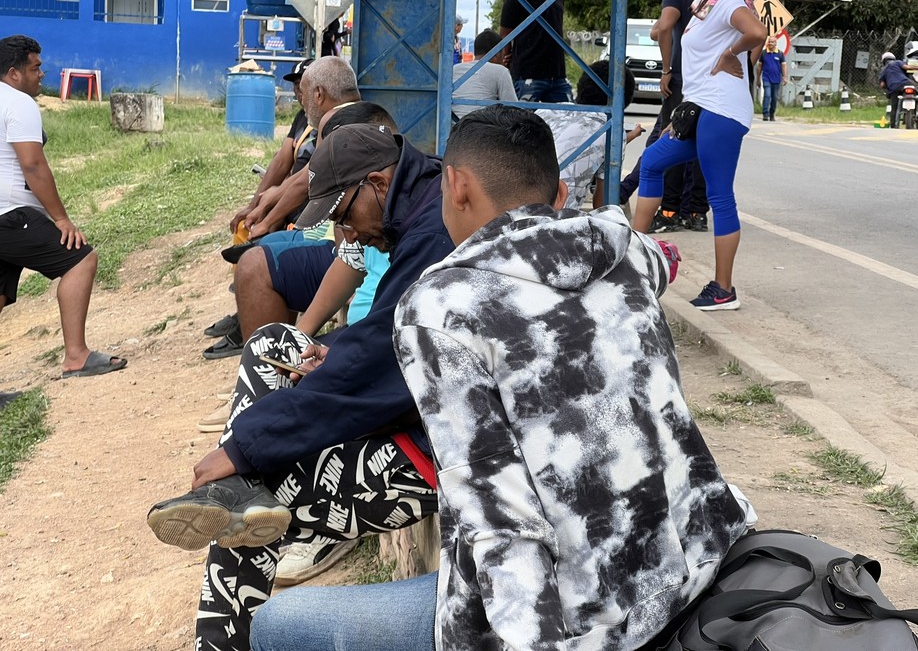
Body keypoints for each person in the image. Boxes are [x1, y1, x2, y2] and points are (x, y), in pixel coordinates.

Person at [249, 105, 749, 651]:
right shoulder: (630, 253)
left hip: (583, 621)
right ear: (560, 194)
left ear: (457, 186)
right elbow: (662, 257)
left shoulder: (440, 306)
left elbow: (497, 514)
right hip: (697, 567)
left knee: (276, 625)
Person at [146, 123, 454, 651]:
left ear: (378, 183)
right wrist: (337, 353)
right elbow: (389, 336)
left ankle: (221, 637)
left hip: (436, 452)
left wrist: (245, 448)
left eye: (343, 215)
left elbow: (382, 365)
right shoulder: (422, 209)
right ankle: (244, 480)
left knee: (253, 506)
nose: (347, 234)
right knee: (274, 343)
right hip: (417, 407)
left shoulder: (432, 232)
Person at [0, 35, 126, 413]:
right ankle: (76, 356)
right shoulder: (19, 103)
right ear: (14, 73)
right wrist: (61, 218)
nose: (41, 74)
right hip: (10, 213)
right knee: (81, 259)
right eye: (35, 67)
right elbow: (32, 165)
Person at [630, 0, 766, 311]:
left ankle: (723, 289)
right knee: (652, 161)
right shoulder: (707, 2)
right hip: (701, 110)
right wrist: (683, 115)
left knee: (720, 195)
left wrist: (731, 55)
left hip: (722, 113)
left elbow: (757, 33)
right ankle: (633, 260)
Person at [203, 57, 361, 359]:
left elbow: (306, 184)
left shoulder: (337, 124)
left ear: (319, 94)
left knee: (255, 262)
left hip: (342, 246)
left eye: (303, 91)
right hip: (338, 241)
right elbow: (298, 172)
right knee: (263, 249)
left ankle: (267, 361)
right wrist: (262, 202)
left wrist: (267, 218)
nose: (299, 97)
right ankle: (268, 339)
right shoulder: (359, 116)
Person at [534, 59, 644, 210]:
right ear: (623, 100)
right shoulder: (613, 132)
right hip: (558, 216)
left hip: (515, 208)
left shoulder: (547, 110)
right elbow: (601, 205)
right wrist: (624, 139)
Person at [647, 0, 709, 233]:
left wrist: (666, 69)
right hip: (712, 81)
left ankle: (669, 210)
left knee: (672, 139)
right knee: (704, 145)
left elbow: (661, 29)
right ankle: (697, 212)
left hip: (682, 79)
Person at [499, 0, 573, 103]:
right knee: (523, 118)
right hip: (528, 74)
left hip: (557, 75)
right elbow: (505, 34)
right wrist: (506, 58)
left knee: (567, 115)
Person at [451, 29, 518, 119]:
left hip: (453, 125)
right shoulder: (500, 71)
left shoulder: (454, 69)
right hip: (482, 125)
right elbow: (513, 110)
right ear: (497, 55)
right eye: (503, 54)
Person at [878, 50, 918, 130]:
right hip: (905, 83)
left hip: (894, 89)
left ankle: (893, 126)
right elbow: (907, 67)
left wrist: (888, 87)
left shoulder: (883, 70)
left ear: (884, 61)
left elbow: (882, 85)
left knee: (894, 108)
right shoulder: (897, 62)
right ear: (893, 58)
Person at [756, 34, 787, 121]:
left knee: (774, 97)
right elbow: (759, 67)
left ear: (775, 43)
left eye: (772, 42)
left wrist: (785, 77)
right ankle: (765, 114)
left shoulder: (780, 54)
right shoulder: (764, 53)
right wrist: (758, 79)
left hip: (776, 79)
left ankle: (772, 114)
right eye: (769, 41)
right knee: (767, 95)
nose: (770, 43)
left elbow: (784, 65)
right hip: (766, 78)